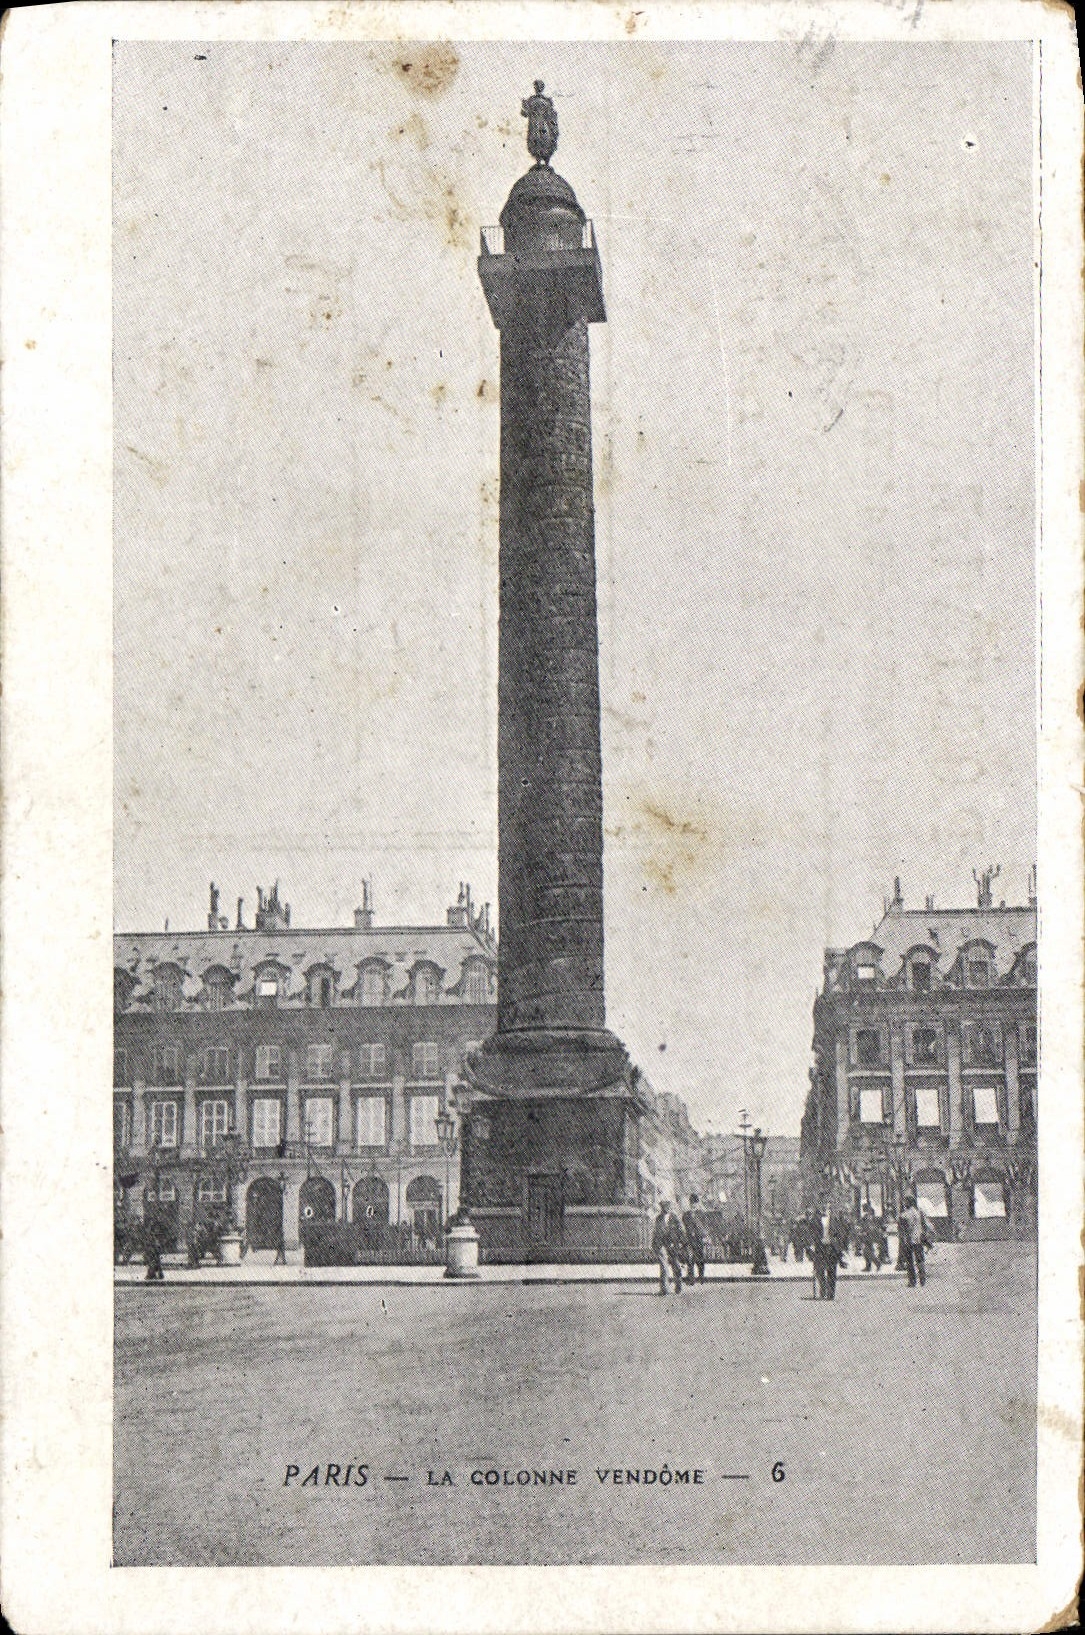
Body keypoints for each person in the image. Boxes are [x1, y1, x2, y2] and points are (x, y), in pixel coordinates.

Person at [898, 1193, 933, 1287]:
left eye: (905, 1202)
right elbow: (928, 1225)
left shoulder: (903, 1215)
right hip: (919, 1239)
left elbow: (903, 1231)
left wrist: (903, 1241)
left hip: (909, 1241)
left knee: (909, 1261)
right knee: (920, 1260)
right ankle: (922, 1279)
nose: (904, 1203)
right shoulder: (919, 1213)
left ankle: (912, 1281)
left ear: (908, 1203)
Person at [652, 1200, 686, 1295]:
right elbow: (656, 1232)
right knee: (663, 1266)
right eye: (663, 1207)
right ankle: (664, 1289)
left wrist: (681, 1243)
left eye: (667, 1207)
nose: (665, 1209)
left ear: (670, 1208)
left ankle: (678, 1284)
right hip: (661, 1244)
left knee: (676, 1265)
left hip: (673, 1244)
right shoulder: (658, 1218)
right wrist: (655, 1244)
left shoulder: (675, 1218)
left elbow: (681, 1231)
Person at [682, 1194, 707, 1284]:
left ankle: (701, 1277)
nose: (693, 1205)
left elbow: (704, 1226)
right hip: (689, 1239)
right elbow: (685, 1226)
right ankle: (691, 1279)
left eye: (695, 1203)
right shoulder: (686, 1214)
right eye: (692, 1203)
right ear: (690, 1203)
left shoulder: (701, 1214)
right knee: (690, 1259)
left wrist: (704, 1236)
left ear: (697, 1204)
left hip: (699, 1238)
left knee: (700, 1258)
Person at [858, 1202, 883, 1272]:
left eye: (863, 1207)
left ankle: (877, 1263)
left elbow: (869, 1226)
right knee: (868, 1252)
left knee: (867, 1252)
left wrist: (864, 1232)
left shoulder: (868, 1216)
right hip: (869, 1235)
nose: (862, 1209)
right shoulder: (868, 1215)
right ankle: (868, 1266)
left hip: (869, 1236)